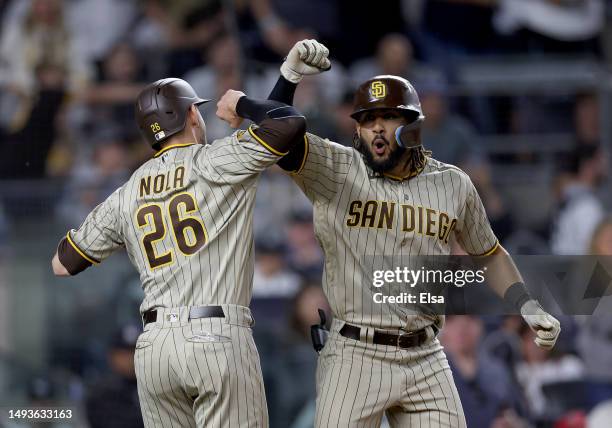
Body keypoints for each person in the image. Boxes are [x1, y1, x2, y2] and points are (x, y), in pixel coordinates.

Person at [256, 39, 562, 427]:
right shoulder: (337, 167)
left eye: (388, 117)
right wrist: (289, 77)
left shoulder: (453, 185)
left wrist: (526, 304)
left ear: (414, 126)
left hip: (426, 354)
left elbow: (488, 252)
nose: (376, 128)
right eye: (367, 119)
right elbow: (271, 134)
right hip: (356, 352)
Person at [50, 71, 309, 426]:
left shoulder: (127, 192)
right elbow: (290, 124)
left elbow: (63, 264)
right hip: (216, 336)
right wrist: (244, 103)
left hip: (154, 348)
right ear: (190, 115)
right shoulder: (215, 160)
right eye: (197, 110)